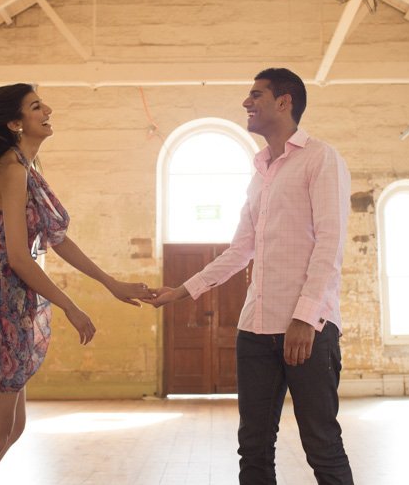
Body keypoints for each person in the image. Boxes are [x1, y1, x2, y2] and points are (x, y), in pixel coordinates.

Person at [0, 84, 153, 485]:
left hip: (10, 300)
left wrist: (111, 283)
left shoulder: (26, 168)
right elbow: (18, 257)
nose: (48, 110)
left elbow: (57, 239)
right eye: (37, 106)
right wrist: (70, 306)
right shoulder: (12, 170)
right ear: (14, 123)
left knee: (13, 427)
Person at [147, 68, 354, 485]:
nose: (247, 102)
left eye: (256, 95)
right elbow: (240, 250)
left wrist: (304, 317)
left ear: (284, 102)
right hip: (255, 332)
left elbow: (329, 245)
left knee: (322, 445)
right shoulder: (261, 172)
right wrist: (182, 291)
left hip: (308, 330)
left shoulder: (321, 158)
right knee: (253, 448)